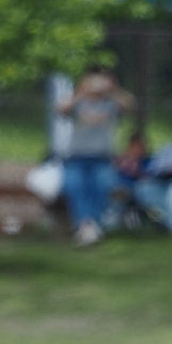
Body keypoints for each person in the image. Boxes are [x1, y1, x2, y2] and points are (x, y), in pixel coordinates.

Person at [58, 66, 134, 246]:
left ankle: (90, 225)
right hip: (76, 157)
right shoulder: (79, 102)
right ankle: (87, 225)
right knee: (74, 185)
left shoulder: (111, 103)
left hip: (102, 158)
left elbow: (130, 105)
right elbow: (61, 109)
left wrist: (113, 89)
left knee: (103, 185)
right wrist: (81, 91)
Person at [105, 131, 152, 230]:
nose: (136, 149)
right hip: (115, 187)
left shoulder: (147, 161)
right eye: (133, 146)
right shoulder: (120, 160)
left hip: (134, 189)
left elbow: (148, 176)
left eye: (139, 146)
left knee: (122, 195)